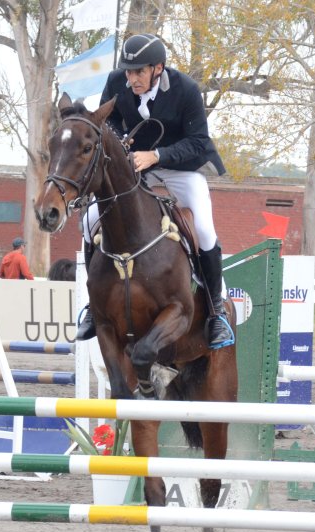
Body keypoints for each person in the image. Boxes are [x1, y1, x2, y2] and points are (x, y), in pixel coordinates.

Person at [76, 33, 234, 350]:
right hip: (136, 168)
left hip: (182, 168)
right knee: (90, 220)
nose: (131, 78)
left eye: (139, 72)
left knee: (203, 228)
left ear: (157, 68)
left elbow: (198, 142)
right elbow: (109, 123)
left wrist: (157, 156)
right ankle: (94, 308)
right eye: (129, 71)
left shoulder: (186, 89)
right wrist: (122, 142)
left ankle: (216, 312)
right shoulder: (116, 81)